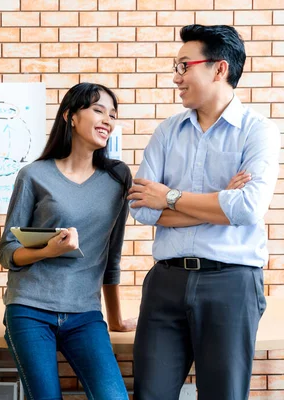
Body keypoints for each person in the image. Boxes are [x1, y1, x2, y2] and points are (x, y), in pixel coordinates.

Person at [128, 25, 280, 400]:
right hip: (165, 283)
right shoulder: (167, 131)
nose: (176, 77)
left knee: (223, 395)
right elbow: (142, 209)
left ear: (218, 69)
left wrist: (171, 197)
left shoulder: (257, 132)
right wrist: (216, 202)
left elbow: (246, 208)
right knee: (151, 394)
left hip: (230, 283)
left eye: (184, 66)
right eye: (175, 66)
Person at [0, 82, 136, 400]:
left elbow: (111, 256)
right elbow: (7, 252)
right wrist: (49, 250)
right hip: (29, 308)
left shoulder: (117, 178)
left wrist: (114, 318)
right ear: (71, 116)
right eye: (98, 110)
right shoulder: (34, 175)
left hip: (85, 314)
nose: (107, 120)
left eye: (112, 114)